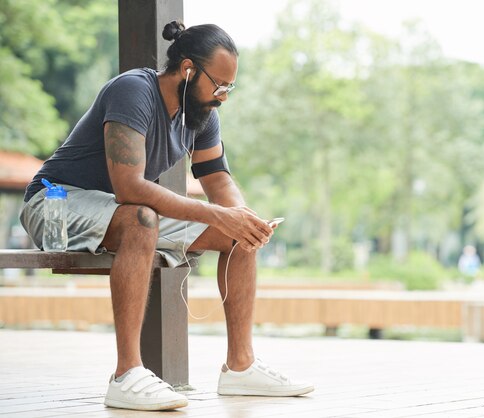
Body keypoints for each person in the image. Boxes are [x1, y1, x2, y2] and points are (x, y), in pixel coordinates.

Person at [20, 21, 313, 411]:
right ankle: (127, 373)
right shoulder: (133, 90)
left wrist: (243, 217)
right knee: (141, 217)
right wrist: (218, 214)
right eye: (219, 84)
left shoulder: (202, 112)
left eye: (230, 87)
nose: (224, 96)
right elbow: (131, 187)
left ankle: (240, 367)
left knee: (237, 235)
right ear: (188, 69)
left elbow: (218, 179)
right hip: (55, 201)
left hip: (119, 211)